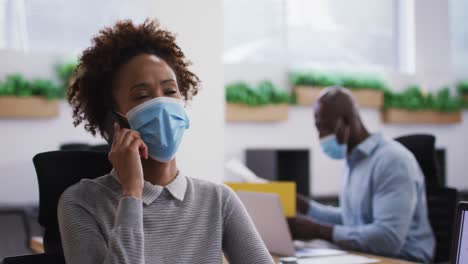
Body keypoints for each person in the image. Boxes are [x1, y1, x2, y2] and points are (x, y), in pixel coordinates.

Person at [58, 19, 273, 264]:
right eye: (142, 95)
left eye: (171, 91)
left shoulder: (218, 199)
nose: (162, 105)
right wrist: (131, 193)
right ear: (114, 120)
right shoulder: (81, 202)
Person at [288, 87, 435, 263]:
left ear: (346, 121)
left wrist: (319, 230)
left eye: (325, 128)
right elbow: (353, 219)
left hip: (404, 259)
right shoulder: (354, 161)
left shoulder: (393, 161)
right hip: (367, 256)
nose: (321, 136)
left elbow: (388, 238)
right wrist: (307, 207)